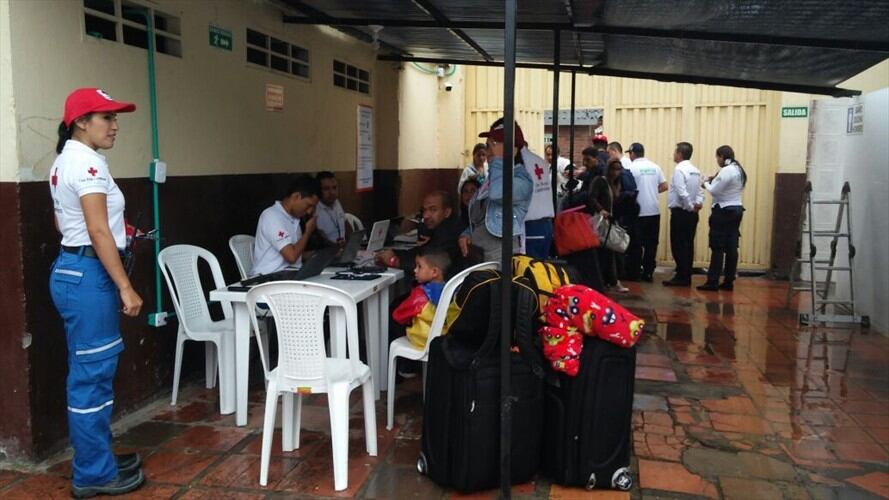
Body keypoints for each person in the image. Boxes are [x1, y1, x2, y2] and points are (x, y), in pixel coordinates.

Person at [49, 88, 145, 497]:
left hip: (77, 270)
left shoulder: (67, 160)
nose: (115, 126)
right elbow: (96, 229)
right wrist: (125, 285)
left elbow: (65, 225)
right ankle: (92, 474)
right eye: (107, 118)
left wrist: (119, 238)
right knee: (91, 380)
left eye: (116, 118)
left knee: (95, 374)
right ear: (81, 122)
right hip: (90, 277)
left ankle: (98, 457)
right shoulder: (86, 164)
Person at [459, 118, 534, 262]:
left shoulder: (522, 179)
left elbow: (498, 193)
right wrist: (468, 233)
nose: (489, 151)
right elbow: (480, 217)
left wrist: (500, 158)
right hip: (479, 252)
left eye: (495, 145)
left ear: (514, 149)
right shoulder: (493, 177)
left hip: (501, 255)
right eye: (489, 146)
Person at [376, 190, 466, 273]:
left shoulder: (450, 233)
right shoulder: (440, 228)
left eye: (433, 210)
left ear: (447, 212)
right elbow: (421, 252)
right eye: (424, 210)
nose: (426, 215)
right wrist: (394, 252)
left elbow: (431, 264)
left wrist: (394, 261)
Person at [698, 145, 747, 291]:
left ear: (721, 156)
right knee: (732, 247)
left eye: (717, 157)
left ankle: (712, 281)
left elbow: (714, 190)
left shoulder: (726, 170)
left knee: (717, 247)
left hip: (723, 211)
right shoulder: (738, 169)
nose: (717, 160)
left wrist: (705, 182)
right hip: (737, 209)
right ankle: (729, 280)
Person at [251, 175, 320, 276]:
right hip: (269, 278)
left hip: (289, 275)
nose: (310, 211)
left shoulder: (294, 218)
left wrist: (319, 255)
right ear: (296, 197)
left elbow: (296, 255)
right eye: (309, 205)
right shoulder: (272, 216)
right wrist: (307, 233)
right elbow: (291, 257)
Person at [391, 248, 452, 350]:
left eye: (419, 266)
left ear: (434, 272)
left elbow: (398, 316)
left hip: (425, 340)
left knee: (394, 325)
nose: (415, 270)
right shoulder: (450, 290)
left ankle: (404, 365)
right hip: (446, 338)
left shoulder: (419, 294)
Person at [625, 142, 667, 282]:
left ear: (632, 153)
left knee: (635, 244)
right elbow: (664, 186)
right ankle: (648, 272)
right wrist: (653, 192)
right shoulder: (655, 167)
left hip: (637, 212)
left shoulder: (630, 168)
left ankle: (635, 272)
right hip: (654, 211)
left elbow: (627, 189)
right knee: (651, 244)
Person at [664, 142, 704, 287]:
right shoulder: (696, 170)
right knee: (688, 244)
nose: (674, 154)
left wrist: (689, 207)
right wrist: (697, 205)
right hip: (692, 214)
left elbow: (681, 192)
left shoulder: (679, 170)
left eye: (675, 152)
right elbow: (700, 191)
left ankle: (681, 276)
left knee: (678, 244)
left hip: (681, 212)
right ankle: (686, 275)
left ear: (680, 154)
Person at [314, 171, 347, 248]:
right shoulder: (314, 209)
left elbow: (346, 224)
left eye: (334, 188)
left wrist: (352, 242)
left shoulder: (337, 203)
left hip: (343, 249)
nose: (332, 192)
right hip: (328, 252)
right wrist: (336, 248)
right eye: (326, 189)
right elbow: (320, 239)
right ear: (318, 191)